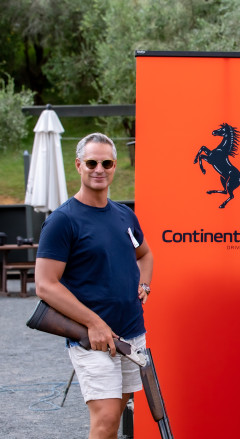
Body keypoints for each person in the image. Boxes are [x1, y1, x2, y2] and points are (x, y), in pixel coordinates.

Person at [35, 132, 153, 439]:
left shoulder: (125, 215)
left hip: (131, 334)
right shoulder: (62, 220)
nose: (99, 169)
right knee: (106, 420)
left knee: (113, 421)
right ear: (78, 165)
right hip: (92, 338)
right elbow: (45, 285)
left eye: (106, 163)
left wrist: (145, 283)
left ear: (115, 166)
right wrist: (94, 323)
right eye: (91, 163)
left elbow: (145, 254)